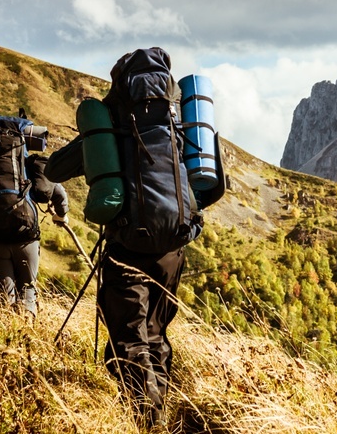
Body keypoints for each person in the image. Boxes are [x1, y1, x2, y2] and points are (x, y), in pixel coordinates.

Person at [45, 48, 217, 429]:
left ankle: (147, 422)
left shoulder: (111, 122)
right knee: (155, 333)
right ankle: (160, 410)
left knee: (128, 340)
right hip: (175, 245)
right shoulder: (182, 122)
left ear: (121, 84)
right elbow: (210, 184)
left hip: (127, 247)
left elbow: (56, 168)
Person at [0, 150, 68, 315]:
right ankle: (27, 330)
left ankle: (4, 333)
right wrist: (60, 216)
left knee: (1, 297)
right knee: (27, 289)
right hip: (27, 238)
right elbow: (58, 192)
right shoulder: (31, 167)